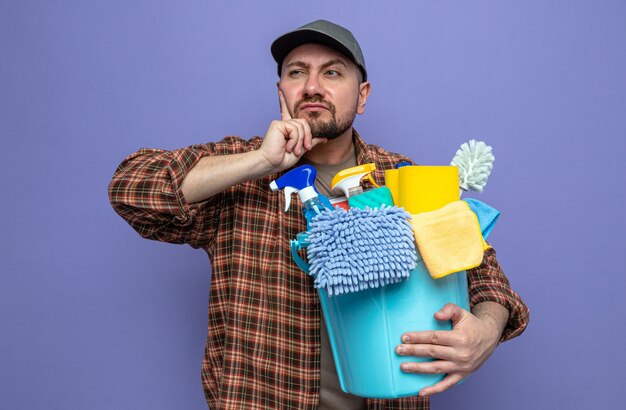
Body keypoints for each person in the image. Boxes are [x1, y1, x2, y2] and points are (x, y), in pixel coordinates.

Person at [109, 19, 529, 410]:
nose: (312, 86)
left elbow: (487, 276)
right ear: (281, 92)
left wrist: (486, 331)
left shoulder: (405, 180)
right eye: (296, 72)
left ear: (362, 95)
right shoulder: (238, 170)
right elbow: (130, 188)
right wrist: (259, 162)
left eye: (332, 72)